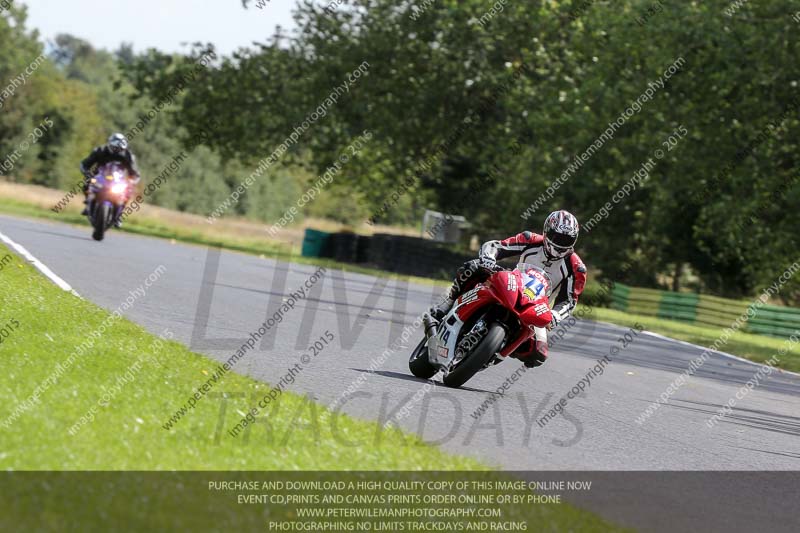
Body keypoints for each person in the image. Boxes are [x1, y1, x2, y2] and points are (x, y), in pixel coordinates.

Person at [430, 210, 587, 368]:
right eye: (557, 237)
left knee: (538, 354)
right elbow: (496, 246)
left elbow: (569, 301)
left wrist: (555, 315)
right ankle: (446, 304)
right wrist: (489, 258)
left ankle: (496, 350)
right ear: (547, 232)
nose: (560, 243)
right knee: (473, 268)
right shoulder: (530, 239)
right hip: (512, 285)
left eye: (567, 239)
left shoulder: (576, 268)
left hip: (536, 306)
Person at [79, 133, 141, 227]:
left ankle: (119, 215)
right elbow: (85, 164)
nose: (117, 151)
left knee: (128, 191)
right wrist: (87, 172)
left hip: (117, 180)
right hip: (99, 176)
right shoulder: (100, 151)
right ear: (110, 144)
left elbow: (134, 172)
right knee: (87, 182)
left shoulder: (128, 155)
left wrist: (132, 180)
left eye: (120, 149)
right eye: (115, 148)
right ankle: (88, 203)